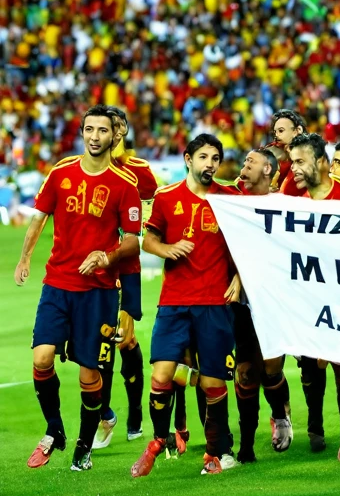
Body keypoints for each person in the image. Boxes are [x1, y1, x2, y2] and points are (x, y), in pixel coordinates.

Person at [14, 106, 142, 472]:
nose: (95, 136)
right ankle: (55, 430)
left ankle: (84, 447)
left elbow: (133, 243)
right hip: (57, 283)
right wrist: (25, 259)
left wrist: (105, 257)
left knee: (90, 374)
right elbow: (38, 219)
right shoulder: (61, 173)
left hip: (98, 291)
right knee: (41, 358)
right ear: (82, 132)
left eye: (102, 130)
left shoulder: (124, 185)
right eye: (89, 129)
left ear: (113, 136)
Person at [130, 133, 242, 477]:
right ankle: (156, 443)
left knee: (213, 384)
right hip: (175, 302)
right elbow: (148, 239)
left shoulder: (230, 198)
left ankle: (215, 453)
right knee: (161, 375)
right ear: (188, 159)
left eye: (215, 158)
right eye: (204, 157)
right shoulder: (166, 198)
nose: (210, 164)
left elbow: (248, 242)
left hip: (214, 301)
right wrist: (167, 249)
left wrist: (240, 277)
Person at [287, 132, 340, 462]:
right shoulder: (290, 198)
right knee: (309, 364)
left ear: (321, 162)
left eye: (300, 161)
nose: (293, 168)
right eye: (292, 161)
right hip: (306, 295)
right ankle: (315, 421)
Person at [92, 107, 159, 449]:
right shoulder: (87, 167)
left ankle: (133, 413)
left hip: (127, 267)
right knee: (93, 344)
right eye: (107, 127)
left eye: (117, 127)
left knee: (121, 340)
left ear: (124, 132)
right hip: (94, 267)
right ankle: (105, 413)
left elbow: (156, 208)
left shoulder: (140, 171)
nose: (112, 133)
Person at [233, 148, 293, 462]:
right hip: (241, 300)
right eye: (244, 162)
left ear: (267, 169)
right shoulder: (233, 202)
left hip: (274, 298)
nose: (244, 165)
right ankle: (245, 445)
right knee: (244, 372)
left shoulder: (283, 206)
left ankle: (280, 415)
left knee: (270, 369)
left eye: (251, 162)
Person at [269, 109, 307, 193]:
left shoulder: (310, 152)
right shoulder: (271, 151)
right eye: (275, 132)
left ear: (297, 131)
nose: (276, 135)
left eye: (281, 131)